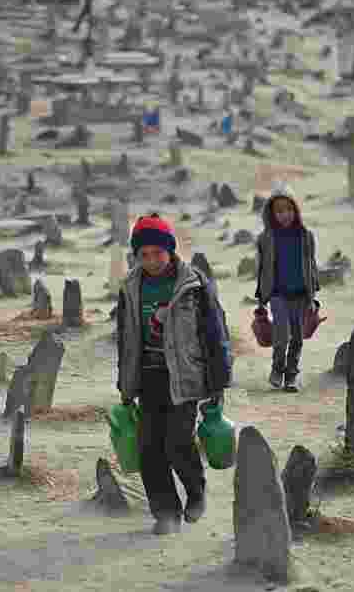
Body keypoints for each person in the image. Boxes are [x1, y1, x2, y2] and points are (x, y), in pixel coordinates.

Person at [116, 213, 229, 535]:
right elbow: (126, 337)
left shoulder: (192, 284)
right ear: (136, 256)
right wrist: (125, 384)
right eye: (144, 255)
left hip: (185, 378)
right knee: (149, 448)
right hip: (148, 377)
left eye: (158, 252)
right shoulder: (131, 288)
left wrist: (218, 382)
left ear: (170, 249)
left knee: (177, 443)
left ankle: (196, 491)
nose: (152, 260)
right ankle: (166, 512)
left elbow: (214, 333)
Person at [255, 183, 320, 392]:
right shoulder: (266, 238)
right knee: (281, 336)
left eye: (289, 209)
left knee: (298, 338)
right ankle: (277, 369)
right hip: (277, 294)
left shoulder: (305, 235)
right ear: (272, 214)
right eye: (280, 210)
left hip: (300, 295)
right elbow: (262, 268)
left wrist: (313, 294)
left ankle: (291, 375)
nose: (285, 214)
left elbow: (311, 264)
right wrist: (261, 298)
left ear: (296, 210)